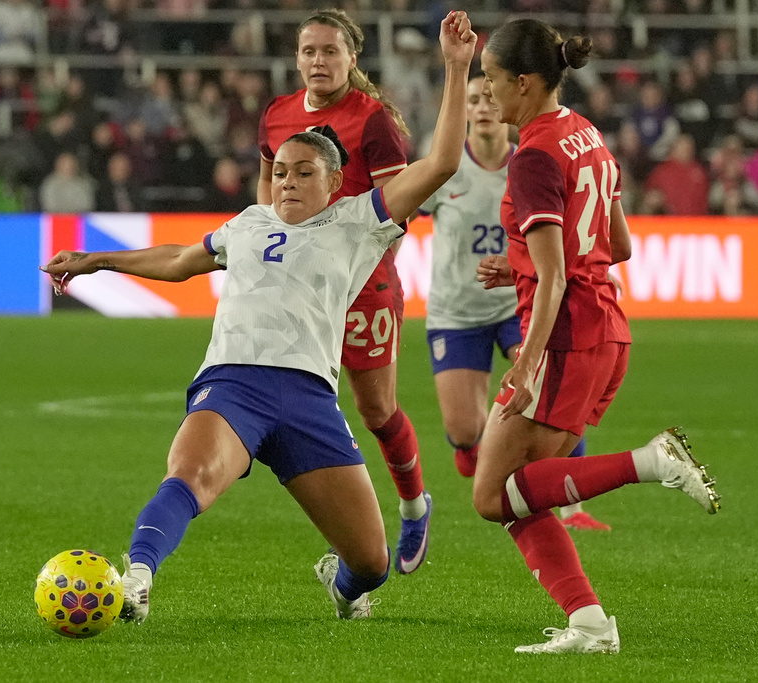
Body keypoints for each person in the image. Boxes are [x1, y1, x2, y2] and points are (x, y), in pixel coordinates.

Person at [41, 11, 476, 624]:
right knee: (189, 477)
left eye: (305, 173)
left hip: (308, 399)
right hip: (234, 382)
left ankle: (345, 587)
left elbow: (442, 163)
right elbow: (179, 259)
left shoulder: (360, 223)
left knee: (371, 561)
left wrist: (457, 69)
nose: (288, 183)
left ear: (334, 182)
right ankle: (134, 579)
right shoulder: (248, 223)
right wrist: (97, 260)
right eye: (281, 172)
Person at [474, 18, 722, 654]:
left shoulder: (532, 155)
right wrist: (521, 263)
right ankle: (587, 622)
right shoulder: (586, 134)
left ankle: (652, 461)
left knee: (491, 494)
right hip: (607, 331)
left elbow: (556, 278)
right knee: (517, 494)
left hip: (565, 339)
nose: (488, 94)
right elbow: (620, 245)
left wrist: (525, 365)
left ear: (524, 83)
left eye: (494, 81)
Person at [256, 8, 432, 575]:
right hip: (297, 290)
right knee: (308, 406)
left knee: (376, 409)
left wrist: (364, 274)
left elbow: (398, 211)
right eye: (309, 51)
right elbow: (268, 190)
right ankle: (351, 538)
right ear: (297, 58)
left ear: (352, 59)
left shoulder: (373, 121)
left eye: (330, 51)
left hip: (363, 287)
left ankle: (413, 504)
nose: (318, 61)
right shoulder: (278, 115)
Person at [418, 74, 608, 531]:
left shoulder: (529, 162)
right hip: (455, 311)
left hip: (514, 305)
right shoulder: (445, 168)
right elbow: (403, 217)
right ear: (462, 110)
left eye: (488, 97)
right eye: (473, 100)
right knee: (465, 430)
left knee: (552, 391)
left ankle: (573, 510)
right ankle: (469, 450)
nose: (482, 106)